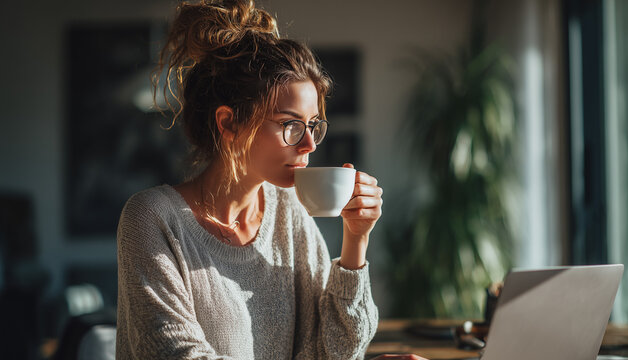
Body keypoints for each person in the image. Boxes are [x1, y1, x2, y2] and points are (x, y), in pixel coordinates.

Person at [116, 0, 425, 359]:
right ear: (229, 123)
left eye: (313, 126)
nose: (309, 143)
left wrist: (356, 239)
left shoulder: (289, 213)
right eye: (290, 125)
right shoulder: (150, 219)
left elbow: (336, 352)